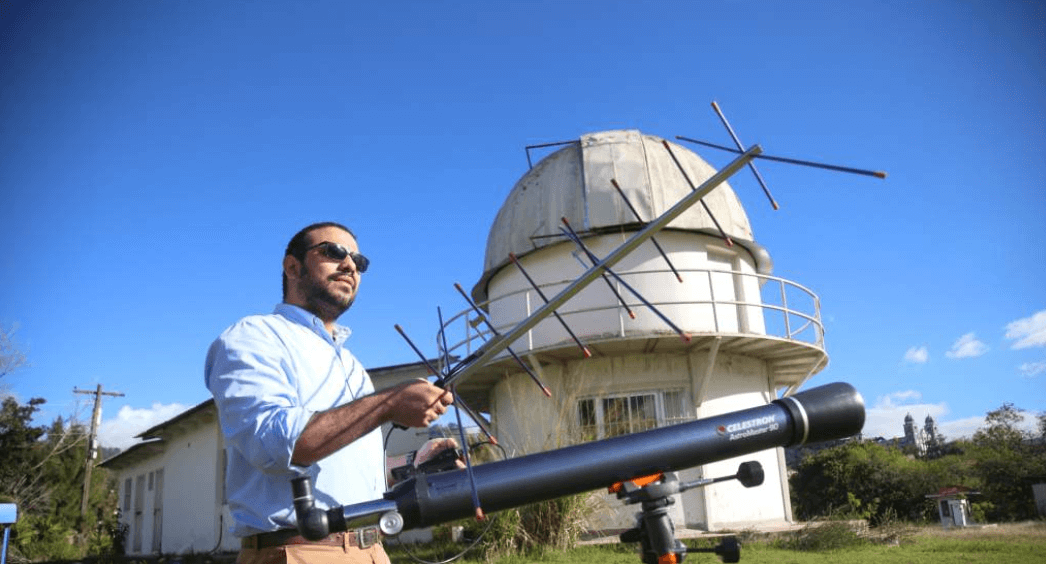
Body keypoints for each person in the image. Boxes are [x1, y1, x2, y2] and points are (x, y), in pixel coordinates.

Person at [206, 221, 456, 564]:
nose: (350, 265)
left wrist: (414, 465)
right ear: (293, 267)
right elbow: (277, 445)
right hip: (301, 551)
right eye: (333, 252)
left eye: (359, 261)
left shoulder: (351, 364)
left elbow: (348, 473)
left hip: (372, 550)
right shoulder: (255, 337)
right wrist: (389, 402)